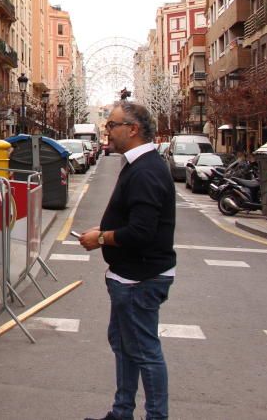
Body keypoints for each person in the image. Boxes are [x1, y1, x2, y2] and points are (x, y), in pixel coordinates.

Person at [81, 101, 176, 420]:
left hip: (140, 279)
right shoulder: (139, 164)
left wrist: (102, 238)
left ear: (132, 130)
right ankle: (122, 412)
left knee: (145, 352)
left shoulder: (147, 169)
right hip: (130, 277)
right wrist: (105, 229)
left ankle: (155, 416)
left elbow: (142, 232)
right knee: (125, 345)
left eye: (111, 125)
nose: (106, 131)